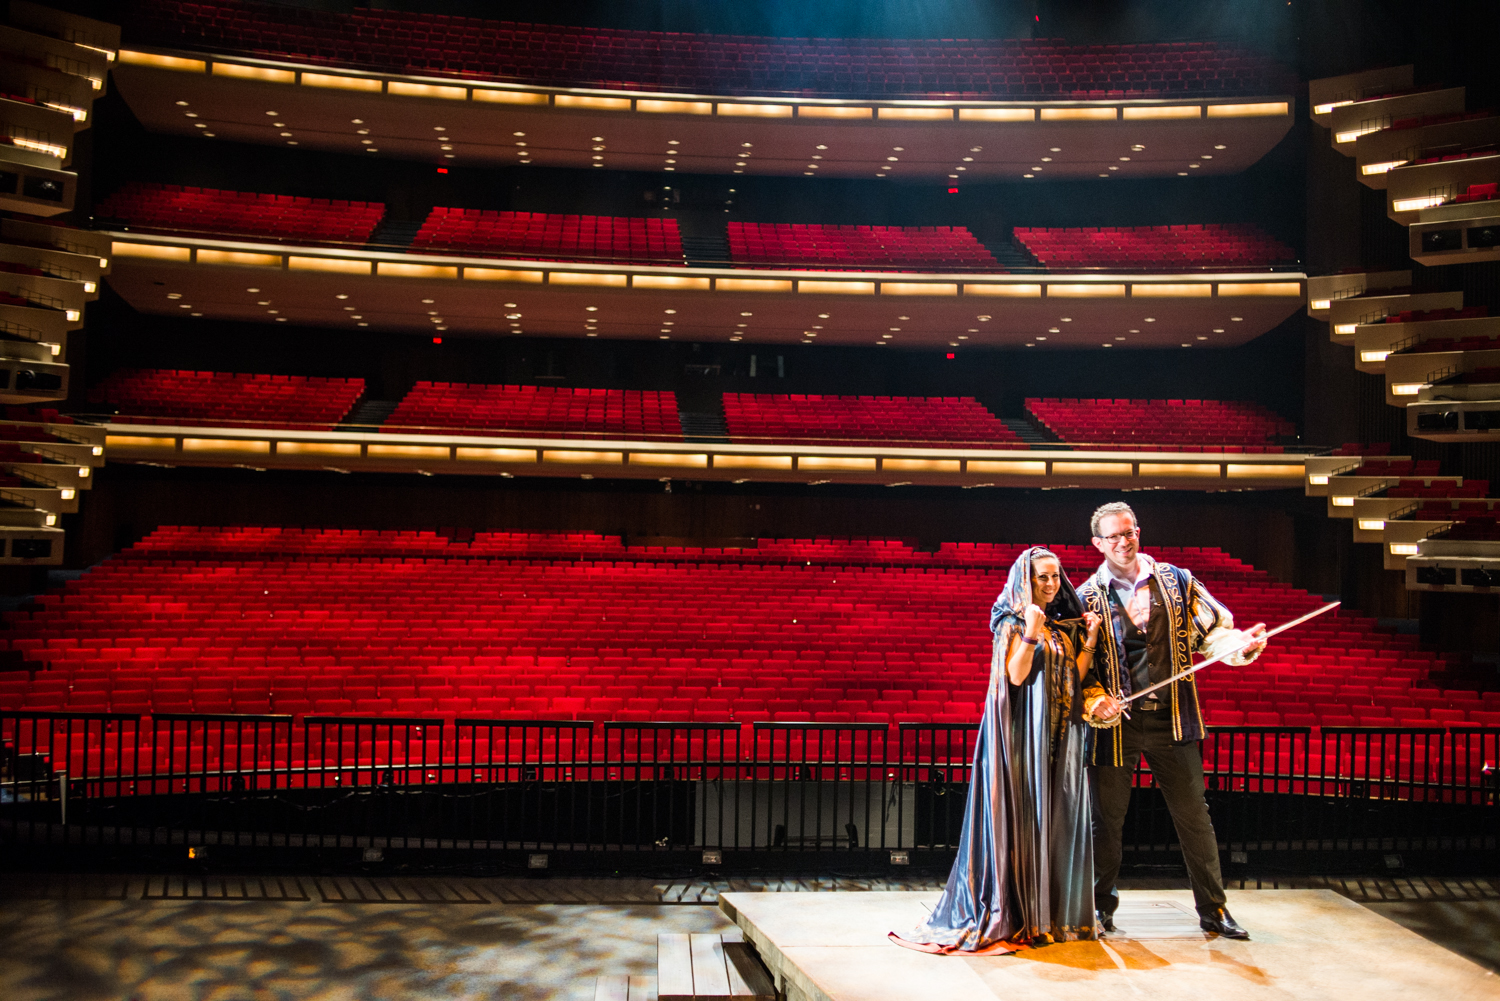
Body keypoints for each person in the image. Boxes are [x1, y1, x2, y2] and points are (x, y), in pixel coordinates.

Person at [891, 546, 1103, 954]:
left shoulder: (1061, 626)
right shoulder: (1012, 621)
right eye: (1042, 576)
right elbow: (1016, 675)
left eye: (1056, 576)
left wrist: (1089, 641)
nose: (1050, 583)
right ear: (1025, 578)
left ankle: (1052, 916)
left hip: (1059, 736)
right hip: (1022, 737)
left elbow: (1071, 680)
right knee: (1024, 819)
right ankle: (1020, 913)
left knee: (1054, 819)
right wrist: (1031, 632)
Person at [1078, 502, 1266, 940]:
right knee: (1105, 823)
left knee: (1194, 819)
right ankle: (1098, 908)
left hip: (1173, 721)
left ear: (1138, 532)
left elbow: (1215, 635)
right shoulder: (1086, 594)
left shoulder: (1177, 580)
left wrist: (1240, 647)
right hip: (1114, 728)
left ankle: (1214, 909)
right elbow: (1078, 669)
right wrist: (1096, 700)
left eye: (1129, 533)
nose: (1123, 542)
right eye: (1113, 537)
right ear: (1097, 544)